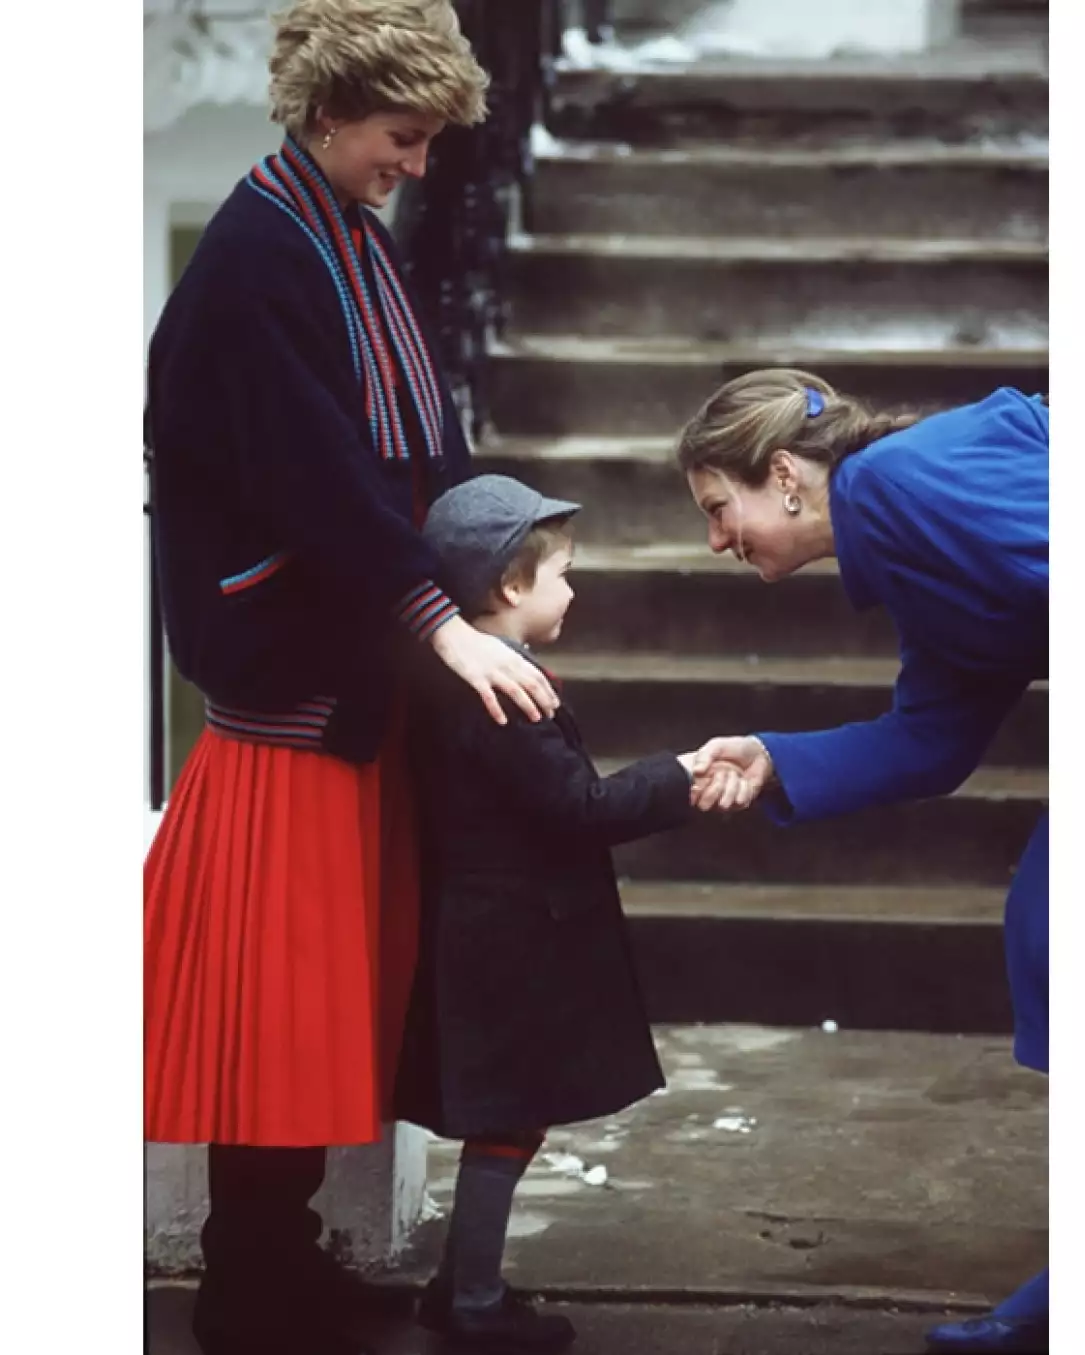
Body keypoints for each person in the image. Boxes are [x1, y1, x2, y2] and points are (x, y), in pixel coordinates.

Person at [142, 6, 560, 1355]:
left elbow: (417, 454)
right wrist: (442, 621)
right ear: (330, 116)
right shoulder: (265, 258)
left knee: (313, 1001)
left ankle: (276, 1261)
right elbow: (319, 477)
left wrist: (497, 575)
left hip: (331, 673)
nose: (419, 164)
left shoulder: (329, 237)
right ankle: (249, 1285)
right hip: (290, 686)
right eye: (404, 135)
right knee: (280, 1002)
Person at [676, 369, 1049, 1355]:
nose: (718, 541)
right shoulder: (898, 527)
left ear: (785, 475)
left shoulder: (894, 487)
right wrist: (775, 756)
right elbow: (934, 738)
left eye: (721, 507)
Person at [392, 475, 744, 1352]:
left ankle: (461, 1284)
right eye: (564, 573)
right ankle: (470, 1299)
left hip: (491, 925)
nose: (574, 590)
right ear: (513, 588)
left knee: (512, 1115)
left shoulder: (457, 674)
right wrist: (677, 774)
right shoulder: (501, 691)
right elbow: (579, 807)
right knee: (510, 1116)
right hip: (514, 937)